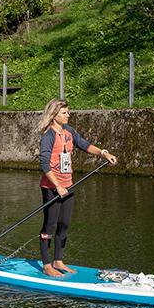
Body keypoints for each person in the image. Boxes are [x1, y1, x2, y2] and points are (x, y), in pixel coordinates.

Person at [37, 99, 117, 277]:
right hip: (51, 187)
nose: (68, 115)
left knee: (64, 224)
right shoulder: (48, 136)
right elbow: (44, 165)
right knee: (49, 226)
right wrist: (57, 186)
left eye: (68, 112)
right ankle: (47, 265)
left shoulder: (69, 132)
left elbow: (85, 145)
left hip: (68, 186)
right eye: (65, 113)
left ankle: (59, 260)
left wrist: (104, 153)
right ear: (54, 115)